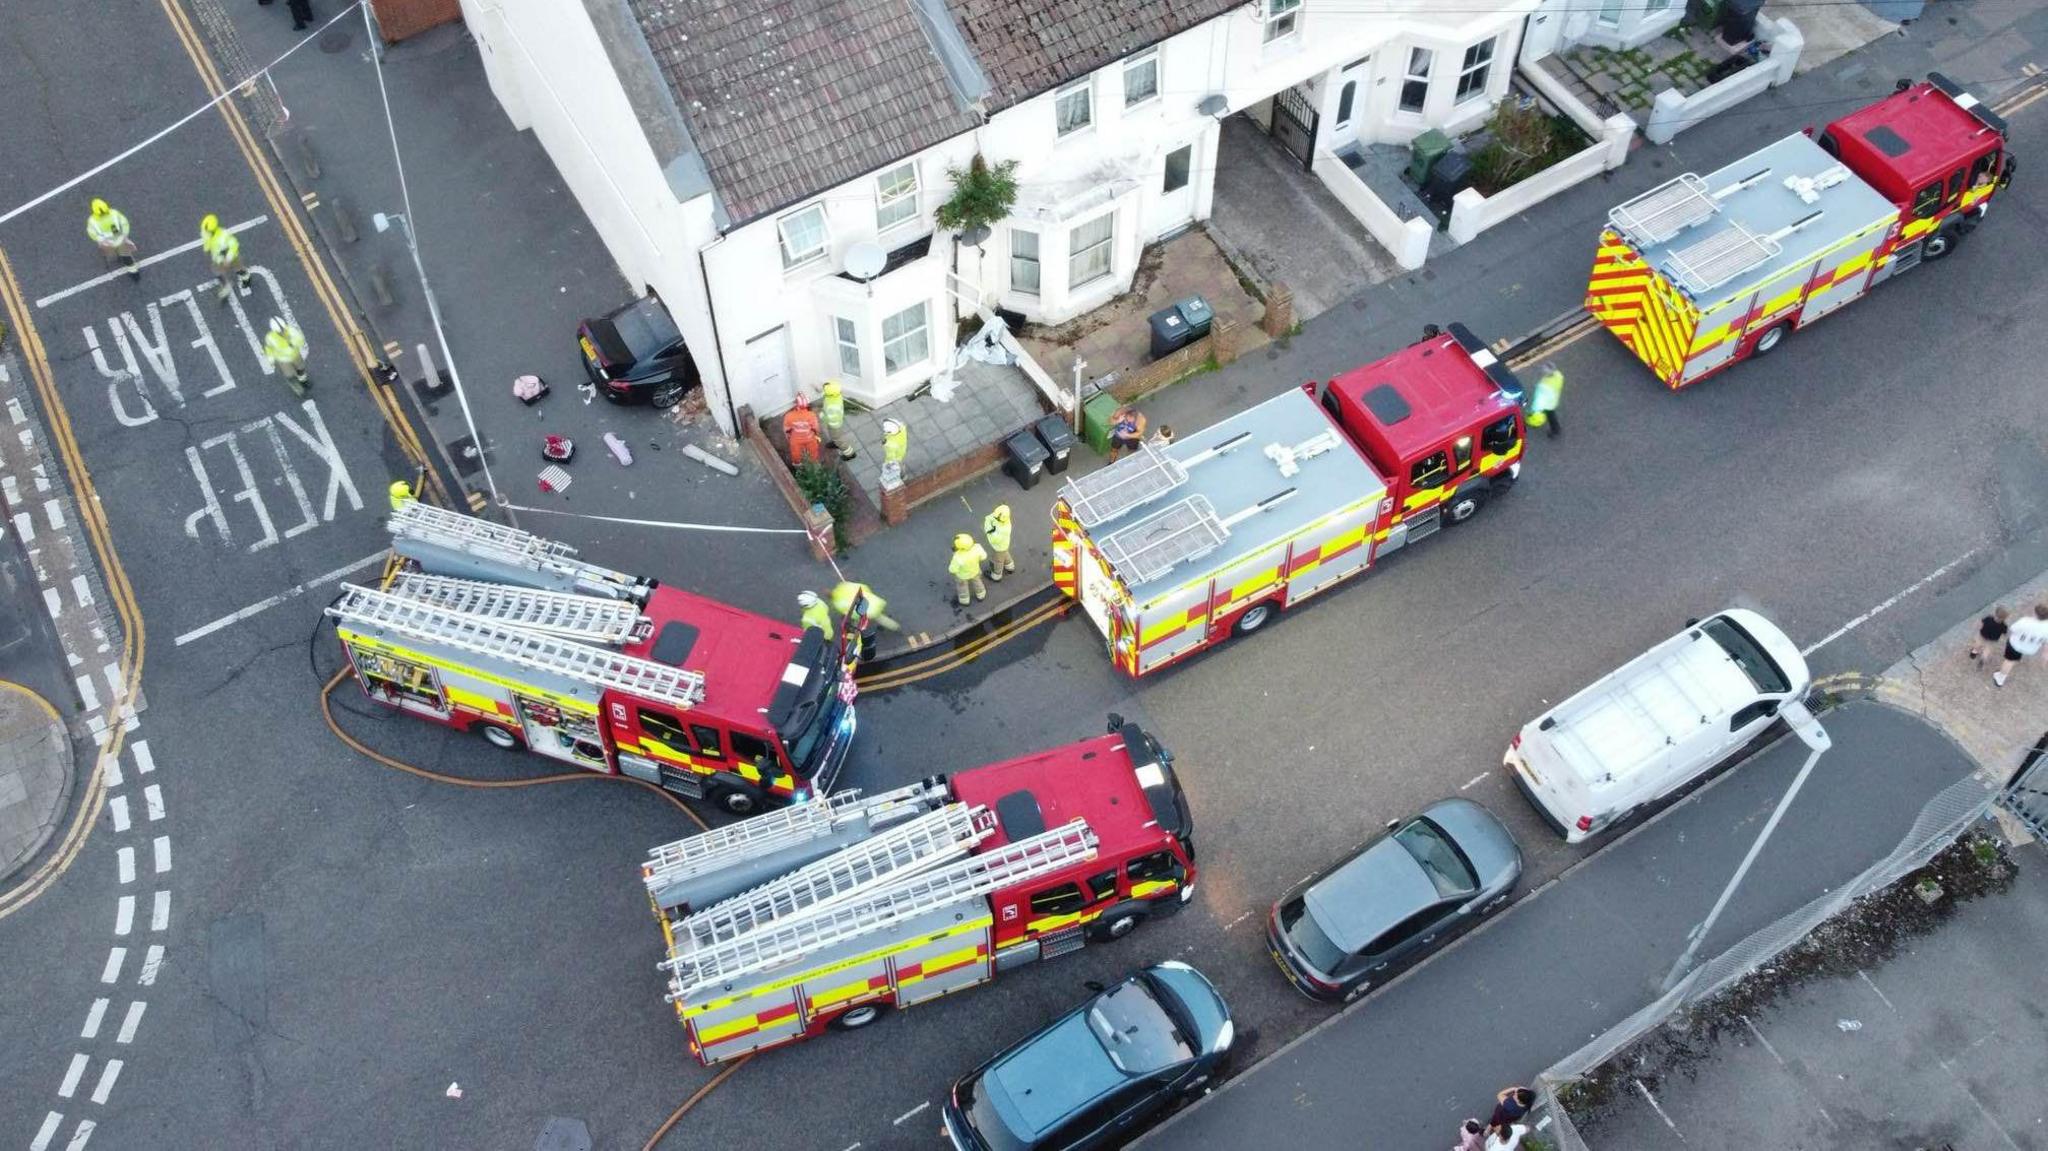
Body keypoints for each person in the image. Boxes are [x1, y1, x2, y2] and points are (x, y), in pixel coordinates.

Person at [1993, 602, 2048, 687]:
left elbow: (2012, 629)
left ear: (2035, 612)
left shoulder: (2025, 621)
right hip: (2030, 649)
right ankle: (2014, 661)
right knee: (2015, 658)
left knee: (2009, 661)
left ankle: (2000, 678)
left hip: (2015, 645)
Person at [201, 214, 251, 303]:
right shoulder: (207, 234)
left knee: (238, 268)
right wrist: (207, 249)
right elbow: (208, 244)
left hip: (231, 258)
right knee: (217, 271)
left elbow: (234, 244)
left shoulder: (223, 235)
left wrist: (227, 260)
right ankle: (226, 285)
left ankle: (246, 278)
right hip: (218, 259)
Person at [86, 199, 140, 280]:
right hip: (120, 240)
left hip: (107, 243)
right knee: (127, 257)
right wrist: (125, 236)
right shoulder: (114, 213)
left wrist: (100, 240)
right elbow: (125, 224)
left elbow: (92, 233)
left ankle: (115, 257)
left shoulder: (92, 220)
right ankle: (134, 273)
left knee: (111, 254)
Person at [262, 317, 310, 394]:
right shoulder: (270, 337)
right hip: (283, 360)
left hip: (295, 355)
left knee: (301, 368)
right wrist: (271, 359)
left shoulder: (291, 330)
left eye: (283, 329)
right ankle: (299, 390)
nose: (282, 331)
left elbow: (300, 339)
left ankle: (303, 381)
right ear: (275, 331)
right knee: (290, 375)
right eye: (280, 331)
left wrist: (293, 343)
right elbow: (268, 349)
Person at [782, 393, 822, 467]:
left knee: (795, 452)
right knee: (813, 451)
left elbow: (786, 429)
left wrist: (788, 437)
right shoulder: (811, 415)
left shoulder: (789, 416)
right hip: (809, 437)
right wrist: (816, 435)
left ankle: (797, 465)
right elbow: (815, 427)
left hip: (796, 439)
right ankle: (814, 464)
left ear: (796, 404)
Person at [949, 533, 988, 606]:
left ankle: (965, 600)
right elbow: (984, 557)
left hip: (962, 575)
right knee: (977, 582)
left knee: (962, 587)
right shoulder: (977, 548)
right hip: (975, 571)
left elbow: (952, 569)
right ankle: (981, 594)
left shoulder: (958, 557)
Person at [819, 379, 854, 459]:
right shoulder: (836, 395)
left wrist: (822, 416)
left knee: (839, 439)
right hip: (836, 422)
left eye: (825, 390)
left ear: (829, 393)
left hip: (834, 424)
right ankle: (835, 442)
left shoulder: (831, 405)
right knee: (835, 436)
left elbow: (830, 418)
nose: (823, 390)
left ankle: (850, 454)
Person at [1526, 364, 1564, 438]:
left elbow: (1538, 401)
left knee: (1549, 416)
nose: (1542, 370)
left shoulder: (1544, 386)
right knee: (1551, 415)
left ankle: (1554, 429)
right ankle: (1556, 429)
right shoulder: (1558, 375)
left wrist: (1533, 410)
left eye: (1544, 370)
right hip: (1553, 400)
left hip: (1547, 404)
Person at [982, 505, 1015, 583]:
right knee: (1005, 554)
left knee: (998, 561)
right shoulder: (1005, 519)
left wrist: (987, 525)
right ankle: (1010, 567)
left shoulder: (1003, 530)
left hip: (999, 547)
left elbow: (993, 539)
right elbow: (994, 516)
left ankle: (996, 575)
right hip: (1003, 546)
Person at [880, 417, 908, 484]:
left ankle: (902, 476)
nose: (884, 429)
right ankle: (903, 476)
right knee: (900, 465)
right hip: (900, 452)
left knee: (897, 467)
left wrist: (888, 463)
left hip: (896, 457)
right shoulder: (902, 429)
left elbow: (890, 456)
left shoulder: (891, 445)